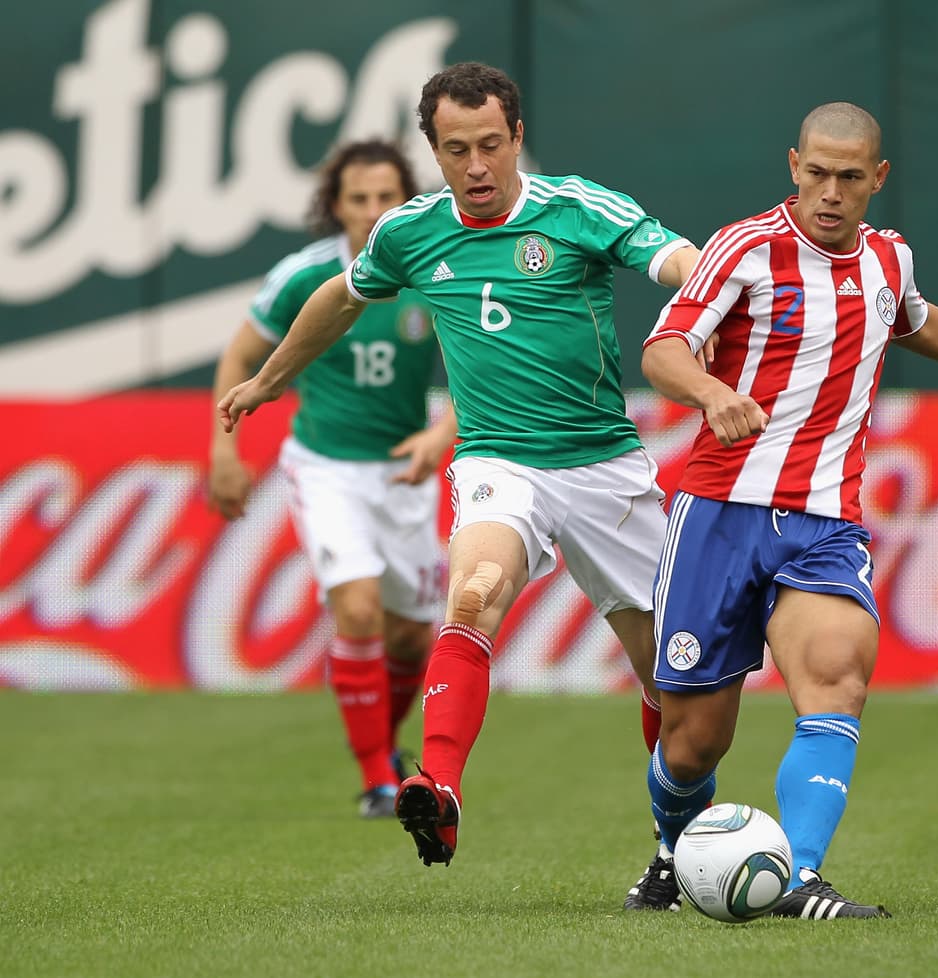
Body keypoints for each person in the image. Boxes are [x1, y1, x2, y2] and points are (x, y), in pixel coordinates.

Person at [217, 62, 702, 870]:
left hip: (601, 469)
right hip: (496, 462)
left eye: (489, 145)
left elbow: (676, 257)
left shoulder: (576, 207)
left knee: (669, 677)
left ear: (517, 138)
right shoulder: (411, 230)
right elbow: (340, 296)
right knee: (472, 595)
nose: (476, 167)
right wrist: (268, 380)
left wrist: (705, 302)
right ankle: (437, 788)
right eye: (454, 150)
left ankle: (678, 847)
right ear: (434, 152)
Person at [627, 102, 938, 919]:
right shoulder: (742, 248)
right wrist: (711, 392)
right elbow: (664, 346)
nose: (831, 191)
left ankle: (799, 877)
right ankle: (673, 850)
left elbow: (916, 322)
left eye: (851, 176)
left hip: (823, 522)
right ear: (793, 165)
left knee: (838, 678)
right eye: (817, 172)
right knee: (694, 740)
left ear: (877, 179)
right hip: (720, 512)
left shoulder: (889, 260)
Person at [209, 139, 457, 819]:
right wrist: (224, 450)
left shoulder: (435, 265)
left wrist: (442, 433)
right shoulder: (303, 276)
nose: (373, 212)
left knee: (411, 636)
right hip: (326, 467)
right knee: (356, 611)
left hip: (405, 472)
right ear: (335, 205)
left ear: (407, 201)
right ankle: (378, 777)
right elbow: (241, 353)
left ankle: (382, 742)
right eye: (358, 199)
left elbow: (487, 359)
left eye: (386, 198)